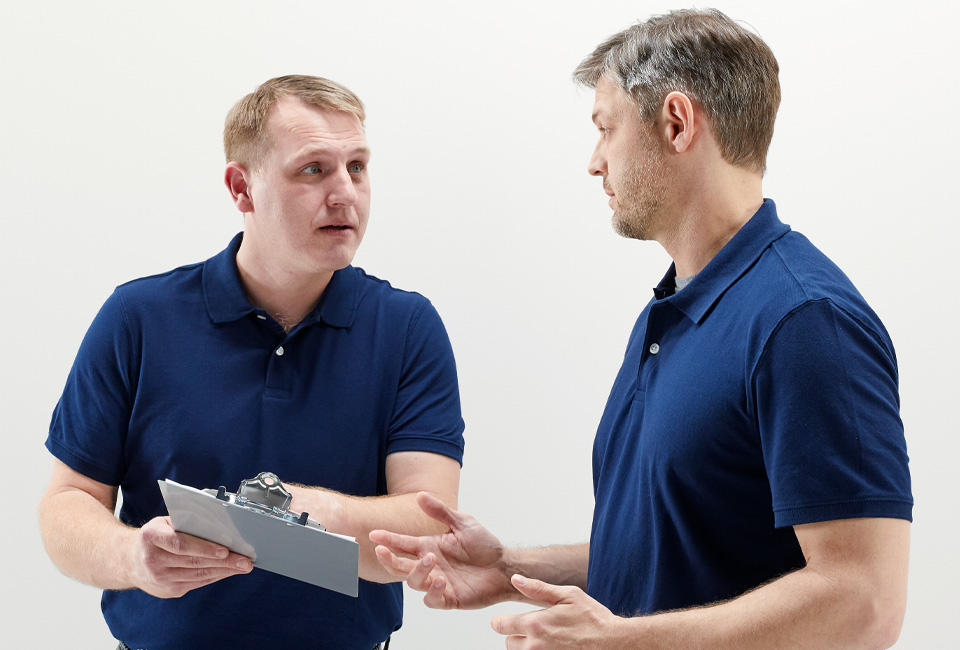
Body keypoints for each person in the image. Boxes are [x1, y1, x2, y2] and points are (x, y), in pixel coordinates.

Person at [371, 9, 912, 649]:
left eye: (606, 129)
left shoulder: (803, 321)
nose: (595, 162)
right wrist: (509, 568)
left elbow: (863, 601)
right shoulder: (676, 309)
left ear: (676, 123)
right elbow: (681, 545)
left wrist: (623, 643)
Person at [38, 75, 465, 650]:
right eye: (313, 169)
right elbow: (67, 505)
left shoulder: (407, 327)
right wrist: (131, 558)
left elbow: (428, 524)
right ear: (242, 188)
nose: (345, 193)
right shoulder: (138, 317)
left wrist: (300, 512)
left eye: (357, 167)